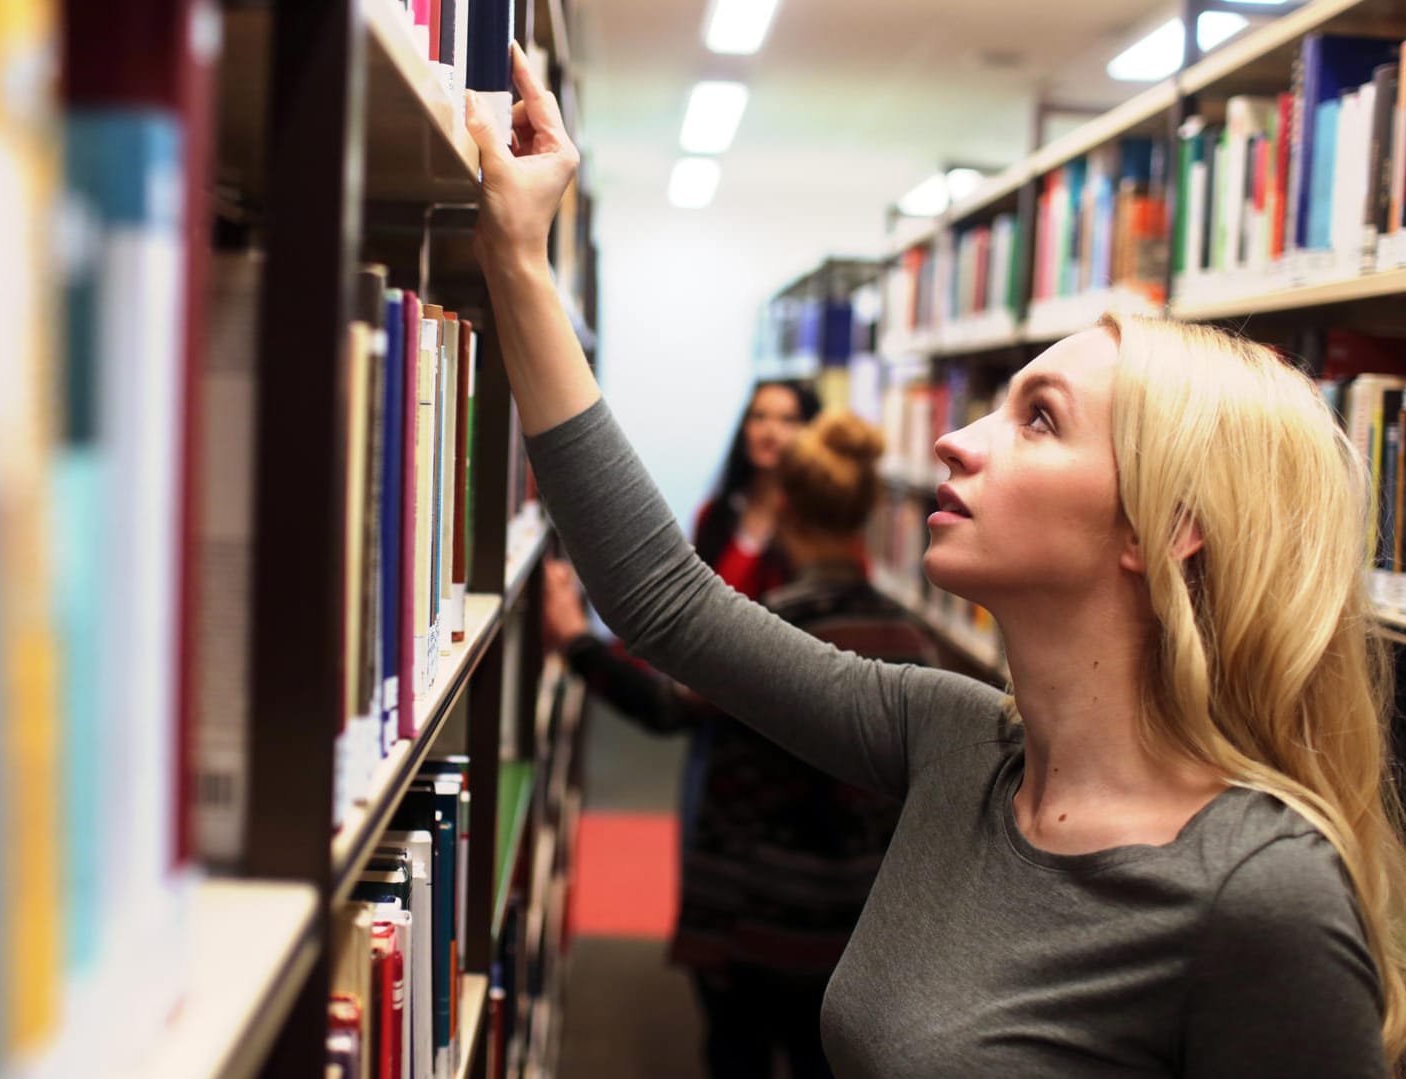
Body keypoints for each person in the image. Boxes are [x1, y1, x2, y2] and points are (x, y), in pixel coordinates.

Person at [464, 46, 1406, 1076]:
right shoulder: (952, 741)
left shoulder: (1259, 893)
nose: (959, 440)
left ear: (1161, 525)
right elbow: (665, 602)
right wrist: (516, 254)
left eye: (1039, 421)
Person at [544, 409, 937, 1079]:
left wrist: (577, 641)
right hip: (854, 927)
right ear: (872, 510)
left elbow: (666, 707)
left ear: (783, 506)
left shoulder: (771, 635)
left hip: (749, 922)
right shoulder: (911, 641)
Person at [694, 379, 820, 600]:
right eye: (759, 417)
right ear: (745, 427)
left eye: (787, 420)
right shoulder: (712, 516)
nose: (769, 431)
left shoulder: (819, 524)